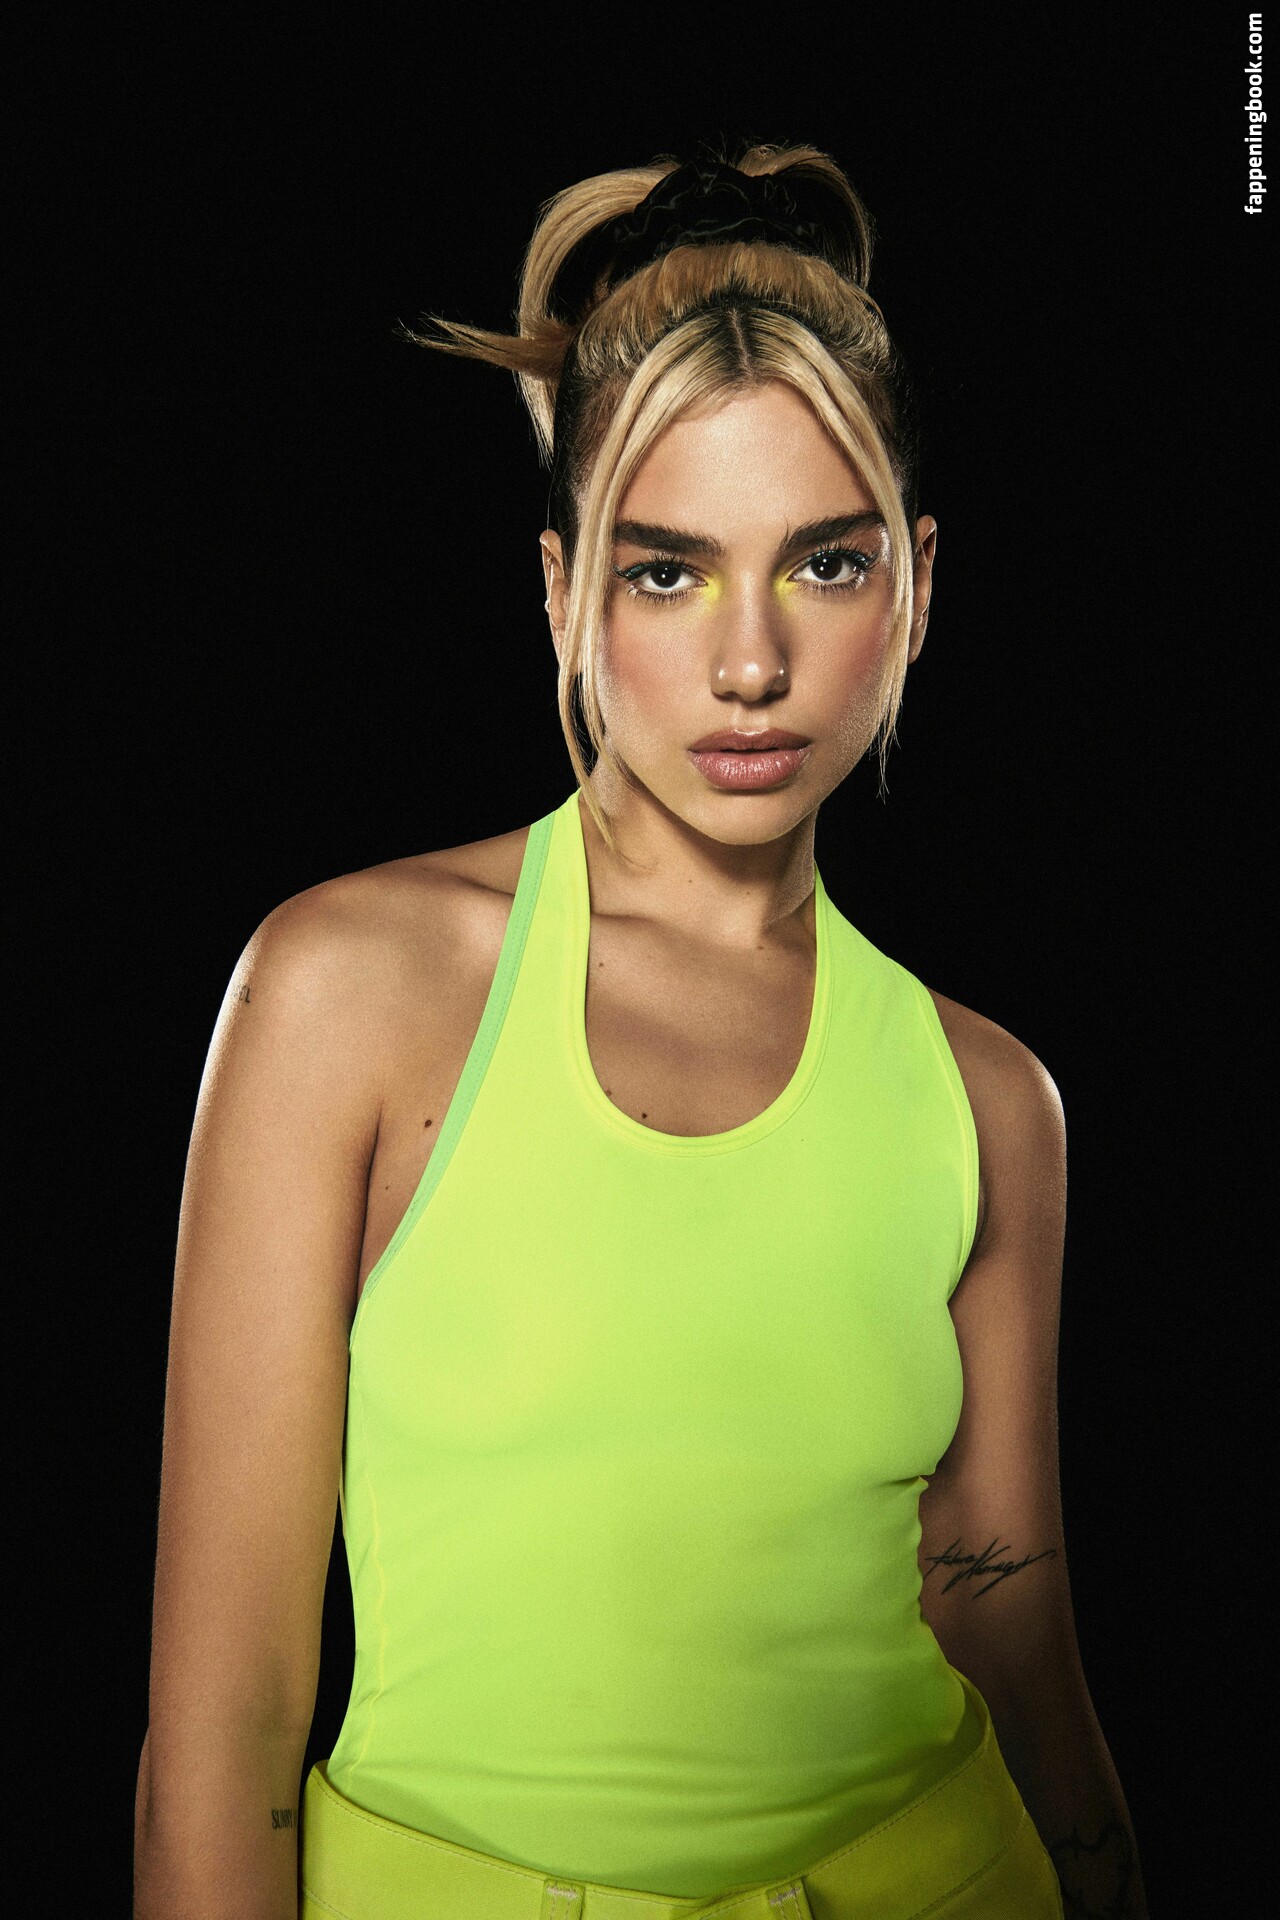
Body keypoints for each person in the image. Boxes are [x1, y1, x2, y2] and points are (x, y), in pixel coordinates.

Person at [134, 145, 1149, 1920]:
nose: (751, 663)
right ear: (561, 592)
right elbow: (222, 1734)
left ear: (915, 587)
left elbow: (1006, 1609)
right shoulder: (348, 994)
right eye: (668, 572)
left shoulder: (992, 1098)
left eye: (825, 565)